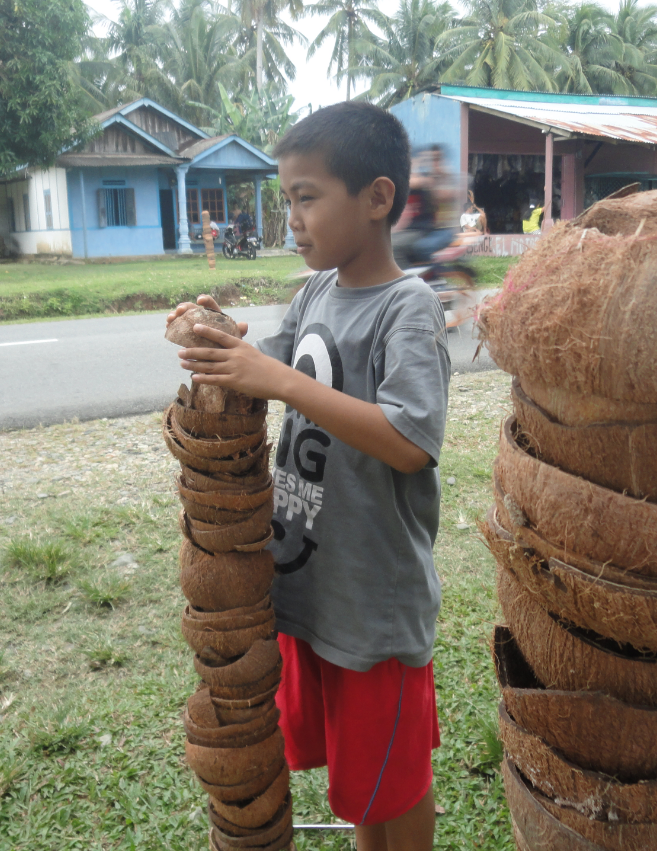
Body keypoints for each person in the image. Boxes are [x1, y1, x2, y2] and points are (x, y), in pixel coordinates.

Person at [167, 101, 450, 851]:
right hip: (313, 589)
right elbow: (268, 369)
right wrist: (218, 333)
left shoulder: (407, 308)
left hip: (373, 605)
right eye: (285, 198)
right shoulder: (315, 292)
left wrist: (282, 381)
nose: (291, 217)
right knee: (360, 784)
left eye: (307, 197)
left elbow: (411, 440)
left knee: (398, 782)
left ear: (377, 198)